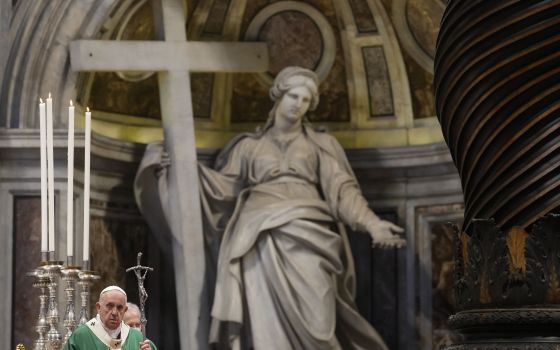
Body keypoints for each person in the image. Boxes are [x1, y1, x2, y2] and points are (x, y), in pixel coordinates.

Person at [136, 66, 405, 349]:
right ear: (279, 96)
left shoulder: (321, 145)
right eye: (293, 96)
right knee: (263, 321)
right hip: (256, 234)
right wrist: (179, 166)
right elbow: (222, 189)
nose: (298, 105)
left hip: (309, 233)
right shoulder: (248, 147)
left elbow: (343, 191)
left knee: (319, 322)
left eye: (305, 100)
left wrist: (373, 224)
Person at [63, 286, 156, 350]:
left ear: (125, 310)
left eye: (120, 308)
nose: (114, 312)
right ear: (98, 307)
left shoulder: (138, 338)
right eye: (109, 306)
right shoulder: (81, 336)